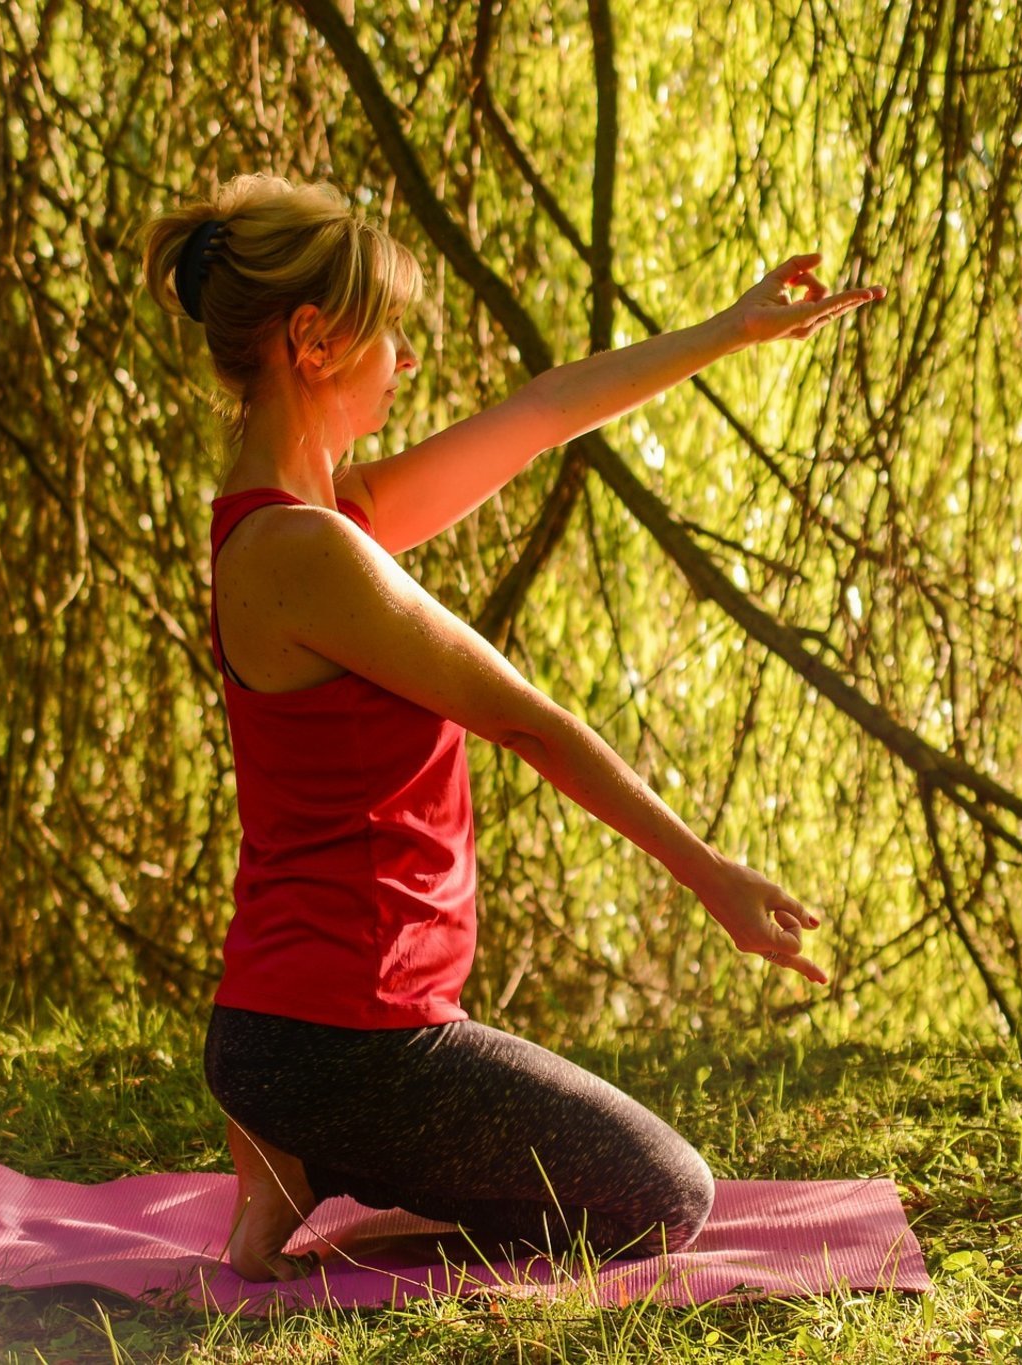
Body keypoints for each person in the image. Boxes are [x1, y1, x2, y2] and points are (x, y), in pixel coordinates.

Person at [139, 173, 883, 1282]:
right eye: (388, 330)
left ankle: (291, 1163)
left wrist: (729, 330)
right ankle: (326, 1183)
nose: (407, 358)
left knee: (615, 1184)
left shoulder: (318, 521)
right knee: (663, 1197)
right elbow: (533, 725)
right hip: (349, 1042)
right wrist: (711, 876)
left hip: (296, 1031)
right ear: (313, 342)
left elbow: (543, 414)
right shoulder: (308, 551)